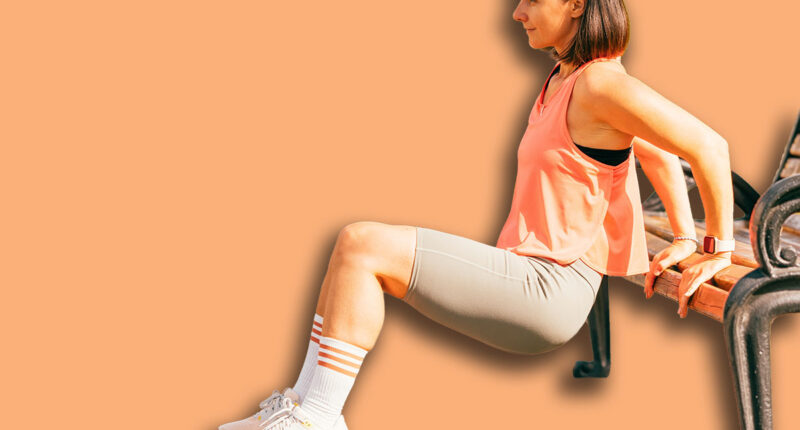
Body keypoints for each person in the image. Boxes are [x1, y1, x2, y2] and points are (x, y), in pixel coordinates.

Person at [218, 0, 734, 428]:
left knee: (362, 244)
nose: (517, 12)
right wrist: (685, 236)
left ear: (576, 4)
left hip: (548, 288)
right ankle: (299, 410)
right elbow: (654, 148)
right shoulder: (570, 77)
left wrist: (717, 246)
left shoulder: (600, 84)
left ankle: (317, 418)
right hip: (538, 276)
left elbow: (707, 147)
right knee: (350, 250)